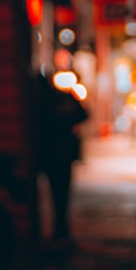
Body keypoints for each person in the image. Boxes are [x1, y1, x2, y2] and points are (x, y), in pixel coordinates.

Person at [34, 72, 88, 243]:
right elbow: (83, 115)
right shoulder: (64, 98)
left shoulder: (40, 102)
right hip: (63, 153)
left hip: (48, 154)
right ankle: (61, 228)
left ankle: (57, 228)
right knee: (62, 193)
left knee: (52, 193)